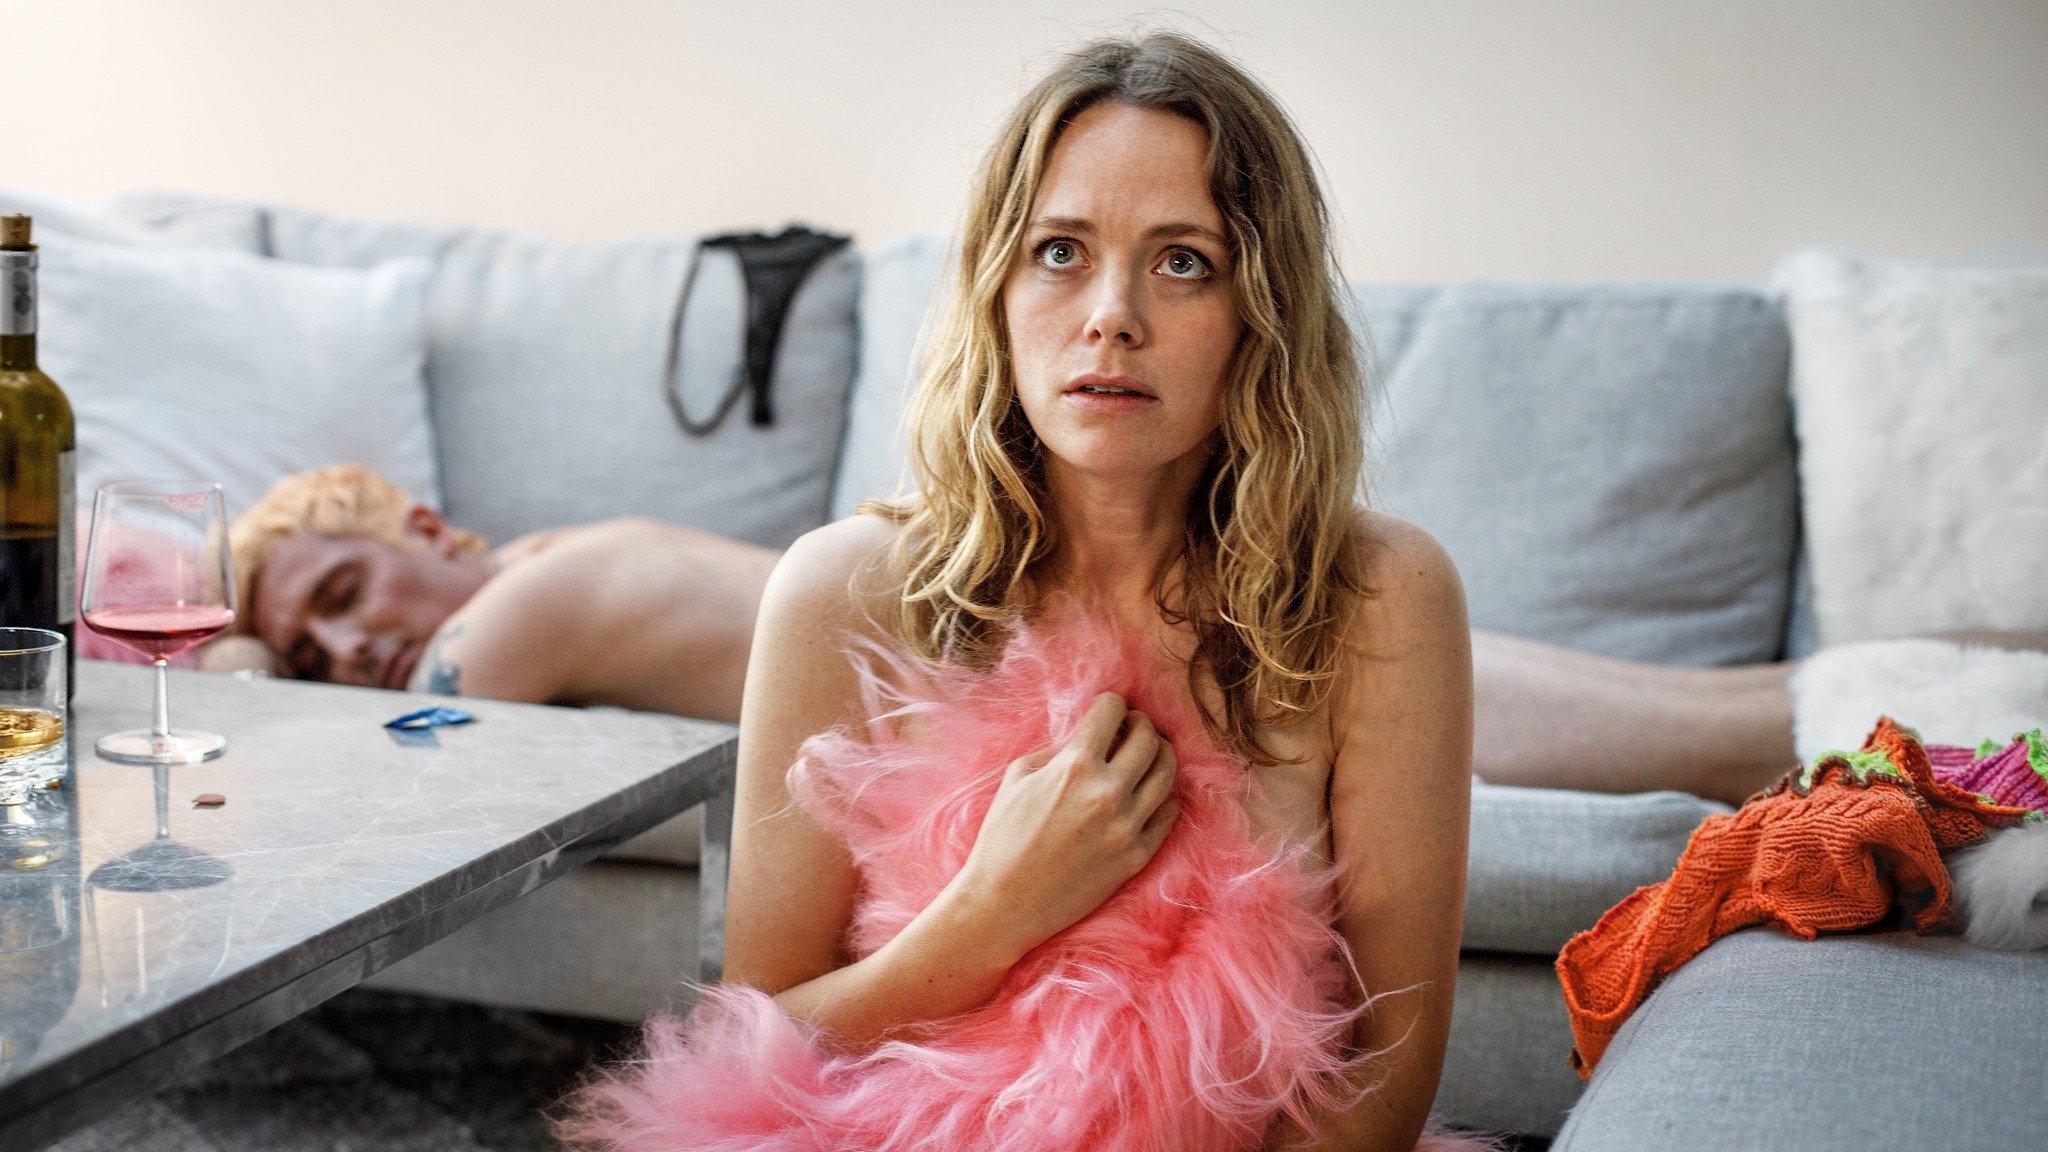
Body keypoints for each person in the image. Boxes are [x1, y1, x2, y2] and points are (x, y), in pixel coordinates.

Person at [228, 463, 780, 724]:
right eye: (310, 659)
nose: (345, 649)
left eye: (346, 593)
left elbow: (387, 788)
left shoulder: (526, 602)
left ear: (428, 531)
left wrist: (228, 662)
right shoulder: (530, 559)